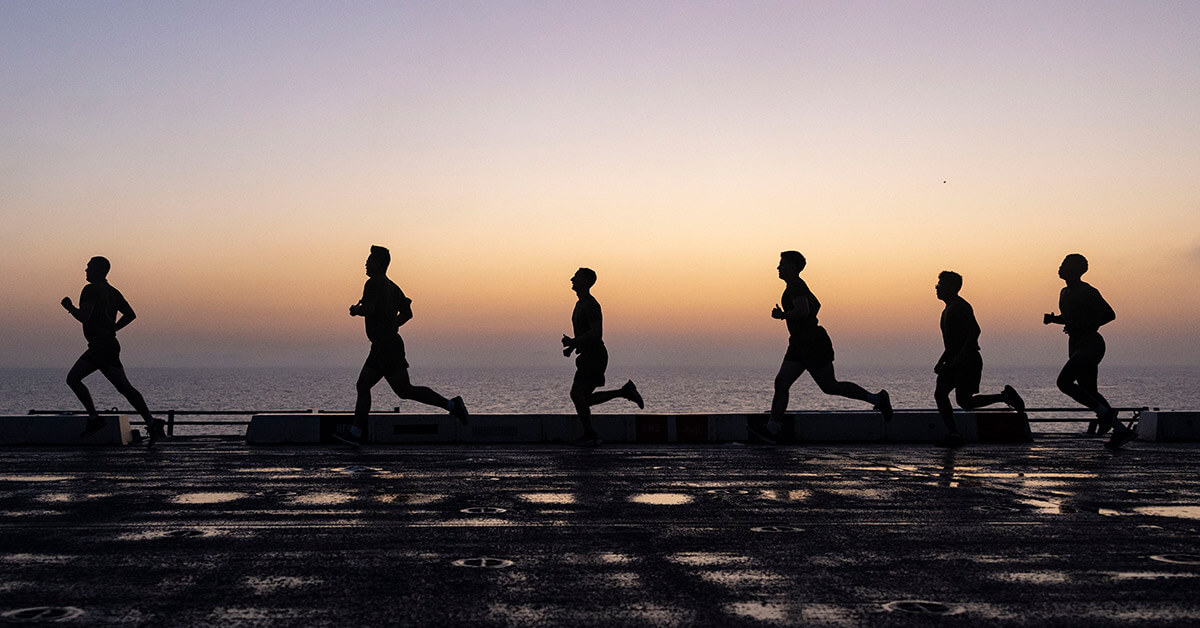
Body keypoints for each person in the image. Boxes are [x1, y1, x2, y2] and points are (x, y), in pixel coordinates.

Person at [752, 251, 892, 444]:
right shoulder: (798, 286)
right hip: (800, 343)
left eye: (782, 264)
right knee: (783, 383)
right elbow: (816, 305)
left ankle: (878, 399)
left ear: (793, 267)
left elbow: (804, 310)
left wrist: (782, 315)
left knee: (828, 386)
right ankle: (772, 429)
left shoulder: (796, 286)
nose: (778, 267)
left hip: (811, 343)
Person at [337, 245, 469, 447]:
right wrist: (393, 325)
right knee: (403, 390)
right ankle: (452, 405)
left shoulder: (372, 284)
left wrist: (356, 310)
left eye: (369, 260)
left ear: (379, 264)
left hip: (385, 347)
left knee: (366, 386)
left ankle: (356, 433)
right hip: (388, 344)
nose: (365, 263)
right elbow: (408, 313)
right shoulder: (393, 288)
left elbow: (370, 308)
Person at [61, 256, 166, 446]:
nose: (85, 270)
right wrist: (113, 329)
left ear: (98, 270)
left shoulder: (91, 290)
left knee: (83, 380)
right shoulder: (112, 292)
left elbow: (85, 316)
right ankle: (149, 423)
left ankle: (99, 419)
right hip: (103, 345)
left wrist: (69, 308)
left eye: (89, 267)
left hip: (101, 347)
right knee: (119, 386)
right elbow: (130, 314)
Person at [1044, 253, 1135, 450]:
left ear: (1076, 270)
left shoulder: (1087, 291)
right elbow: (1070, 318)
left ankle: (1106, 415)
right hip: (1076, 345)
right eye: (1061, 264)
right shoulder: (1064, 292)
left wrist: (1083, 325)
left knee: (1064, 382)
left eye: (1064, 265)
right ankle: (1120, 430)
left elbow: (1109, 314)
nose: (1059, 267)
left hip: (1091, 345)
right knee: (1090, 392)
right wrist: (1054, 319)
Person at [933, 271, 1025, 448]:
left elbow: (974, 331)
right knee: (942, 394)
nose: (937, 288)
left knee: (964, 401)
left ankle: (1004, 396)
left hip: (967, 361)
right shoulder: (947, 309)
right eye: (937, 284)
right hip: (954, 360)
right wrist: (941, 360)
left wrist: (960, 357)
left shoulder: (961, 307)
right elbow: (952, 342)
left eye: (941, 284)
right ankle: (953, 433)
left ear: (952, 287)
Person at [561, 268, 643, 445]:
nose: (572, 279)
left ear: (586, 281)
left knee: (577, 394)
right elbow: (587, 334)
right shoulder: (580, 304)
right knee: (581, 397)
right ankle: (624, 392)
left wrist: (574, 342)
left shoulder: (590, 304)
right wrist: (573, 347)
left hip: (595, 356)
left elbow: (596, 333)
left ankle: (591, 434)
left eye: (577, 276)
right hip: (588, 355)